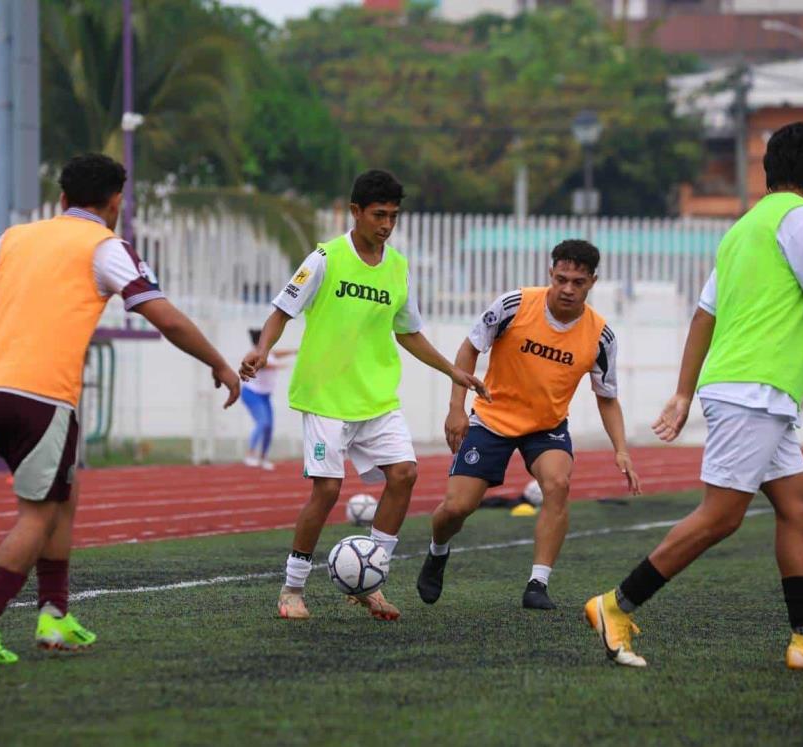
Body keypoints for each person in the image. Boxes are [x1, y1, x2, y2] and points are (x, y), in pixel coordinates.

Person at [584, 122, 803, 671]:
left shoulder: (742, 228)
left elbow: (703, 316)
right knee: (720, 516)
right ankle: (614, 606)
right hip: (754, 390)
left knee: (798, 506)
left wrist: (684, 393)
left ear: (768, 169)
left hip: (750, 389)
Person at [0, 154, 241, 665]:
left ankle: (55, 616)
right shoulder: (105, 247)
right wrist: (218, 362)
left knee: (65, 493)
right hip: (41, 394)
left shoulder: (15, 238)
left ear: (61, 199)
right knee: (37, 513)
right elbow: (165, 318)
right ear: (115, 203)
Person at [241, 169, 488, 622]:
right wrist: (262, 349)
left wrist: (454, 370)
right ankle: (292, 589)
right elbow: (281, 309)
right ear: (355, 212)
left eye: (394, 216)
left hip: (376, 399)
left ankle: (369, 581)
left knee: (405, 475)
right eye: (379, 215)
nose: (387, 224)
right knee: (328, 489)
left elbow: (409, 333)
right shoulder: (324, 258)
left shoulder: (397, 267)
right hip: (326, 396)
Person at [416, 240, 641, 611]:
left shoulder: (601, 336)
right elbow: (469, 349)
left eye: (578, 282)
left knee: (558, 483)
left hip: (546, 426)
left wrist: (621, 449)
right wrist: (457, 408)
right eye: (562, 278)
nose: (568, 288)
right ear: (550, 273)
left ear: (592, 283)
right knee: (456, 508)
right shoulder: (514, 305)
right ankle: (438, 552)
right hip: (491, 417)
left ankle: (538, 583)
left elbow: (606, 396)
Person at [240, 328, 295, 470]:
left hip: (265, 396)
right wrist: (283, 366)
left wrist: (295, 351)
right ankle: (250, 454)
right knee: (262, 422)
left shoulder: (267, 352)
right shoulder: (253, 354)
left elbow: (277, 354)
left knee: (269, 427)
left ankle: (263, 458)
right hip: (252, 394)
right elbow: (264, 364)